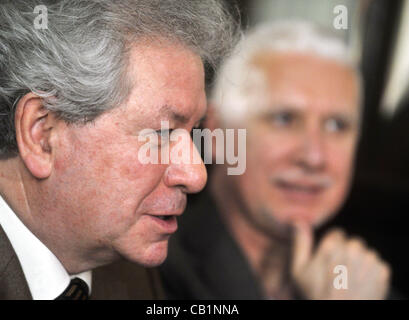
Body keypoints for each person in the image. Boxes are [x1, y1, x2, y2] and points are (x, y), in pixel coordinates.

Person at [0, 0, 237, 299]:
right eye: (163, 133)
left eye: (194, 133)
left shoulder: (130, 273)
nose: (195, 175)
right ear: (42, 134)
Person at [160, 21, 392, 300]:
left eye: (337, 126)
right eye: (284, 119)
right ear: (217, 133)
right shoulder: (151, 273)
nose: (313, 157)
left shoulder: (367, 290)